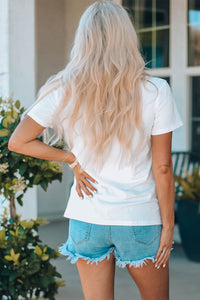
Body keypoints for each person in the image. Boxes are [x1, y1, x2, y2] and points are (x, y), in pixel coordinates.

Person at [8, 1, 183, 299]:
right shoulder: (155, 90)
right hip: (139, 218)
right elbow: (163, 166)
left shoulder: (64, 88)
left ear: (83, 39)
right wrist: (169, 226)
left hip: (87, 218)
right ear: (127, 37)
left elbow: (18, 141)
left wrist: (70, 158)